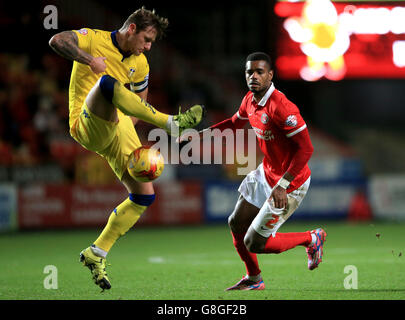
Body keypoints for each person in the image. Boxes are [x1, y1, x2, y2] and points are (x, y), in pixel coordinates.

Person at [49, 7, 205, 290]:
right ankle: (171, 123)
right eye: (146, 39)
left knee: (144, 195)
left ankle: (97, 252)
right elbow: (57, 41)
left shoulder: (141, 64)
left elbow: (139, 105)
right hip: (86, 123)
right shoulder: (93, 39)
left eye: (151, 43)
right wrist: (88, 60)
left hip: (119, 128)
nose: (147, 46)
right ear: (131, 28)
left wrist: (124, 127)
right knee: (107, 83)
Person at [180, 52, 326, 291]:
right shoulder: (250, 99)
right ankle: (254, 279)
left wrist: (283, 185)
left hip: (291, 182)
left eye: (259, 72)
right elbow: (234, 123)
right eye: (250, 72)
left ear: (270, 75)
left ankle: (312, 238)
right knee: (236, 223)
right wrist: (200, 136)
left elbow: (306, 149)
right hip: (266, 173)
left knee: (255, 242)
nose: (254, 76)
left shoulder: (283, 107)